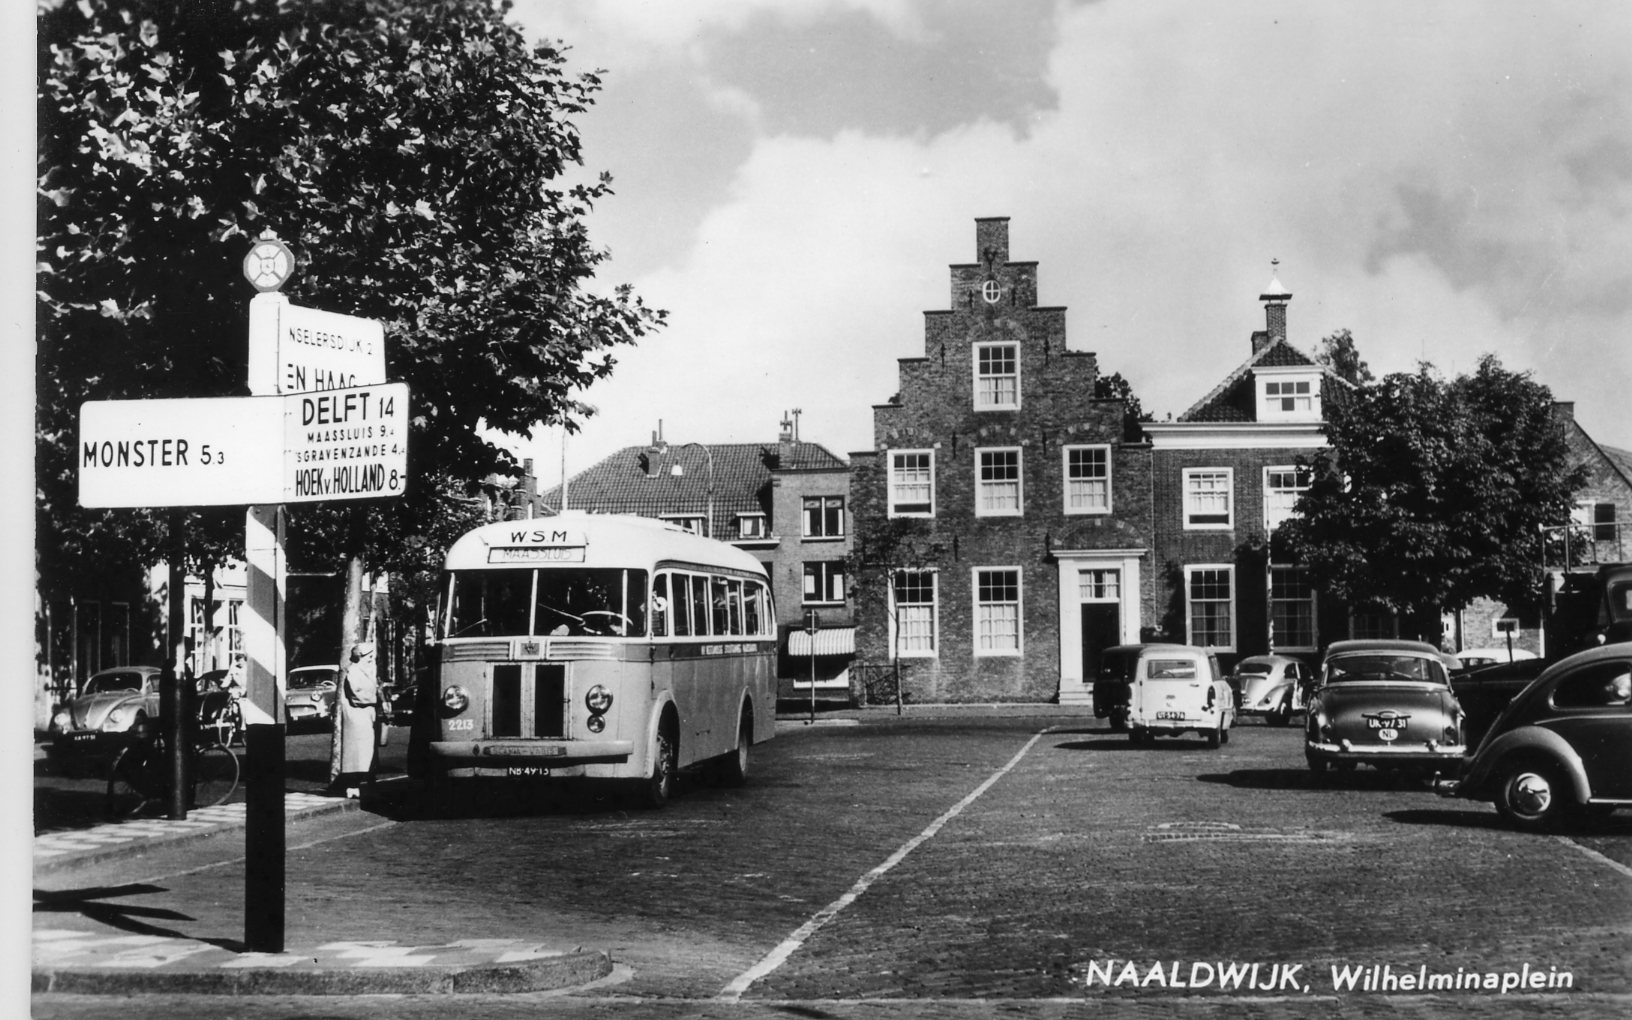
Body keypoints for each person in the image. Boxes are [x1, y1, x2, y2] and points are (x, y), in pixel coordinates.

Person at [331, 642, 379, 799]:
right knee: (358, 753)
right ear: (362, 657)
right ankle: (353, 786)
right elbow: (357, 695)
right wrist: (375, 698)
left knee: (365, 752)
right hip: (357, 718)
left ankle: (362, 784)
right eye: (369, 656)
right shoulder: (353, 671)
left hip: (365, 716)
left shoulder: (365, 671)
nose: (372, 659)